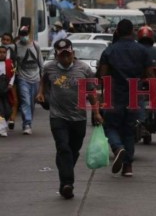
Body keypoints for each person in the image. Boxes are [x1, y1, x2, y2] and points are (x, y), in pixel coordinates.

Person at [36, 38, 103, 199]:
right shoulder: (49, 68)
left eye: (68, 54)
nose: (65, 58)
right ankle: (68, 184)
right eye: (62, 55)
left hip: (78, 118)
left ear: (73, 53)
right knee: (63, 147)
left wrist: (96, 112)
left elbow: (92, 93)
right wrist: (41, 92)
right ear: (57, 55)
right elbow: (44, 80)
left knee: (72, 151)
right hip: (58, 116)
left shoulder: (84, 69)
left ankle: (64, 179)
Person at [98, 19, 154, 177]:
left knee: (110, 126)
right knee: (129, 131)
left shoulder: (110, 51)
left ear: (117, 32)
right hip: (134, 96)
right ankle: (128, 167)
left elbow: (103, 75)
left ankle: (117, 148)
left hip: (114, 94)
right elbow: (150, 75)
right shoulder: (142, 51)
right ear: (132, 32)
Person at [14, 25, 43, 135]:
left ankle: (27, 123)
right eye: (22, 34)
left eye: (25, 34)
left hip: (35, 78)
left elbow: (40, 62)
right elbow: (14, 62)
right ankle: (27, 124)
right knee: (25, 101)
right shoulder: (16, 47)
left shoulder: (35, 45)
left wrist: (42, 77)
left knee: (31, 103)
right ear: (19, 35)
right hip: (22, 78)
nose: (23, 36)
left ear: (28, 34)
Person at [2, 32, 18, 130]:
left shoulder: (13, 51)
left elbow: (15, 67)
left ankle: (12, 119)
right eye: (4, 39)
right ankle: (2, 125)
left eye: (8, 40)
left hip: (11, 80)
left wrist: (11, 82)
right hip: (1, 82)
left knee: (14, 100)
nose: (5, 42)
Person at [0, 45, 15, 137]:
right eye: (0, 52)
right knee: (0, 110)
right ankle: (2, 128)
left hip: (6, 89)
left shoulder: (10, 63)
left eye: (3, 52)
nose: (1, 54)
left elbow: (13, 74)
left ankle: (3, 125)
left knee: (8, 110)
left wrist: (10, 84)